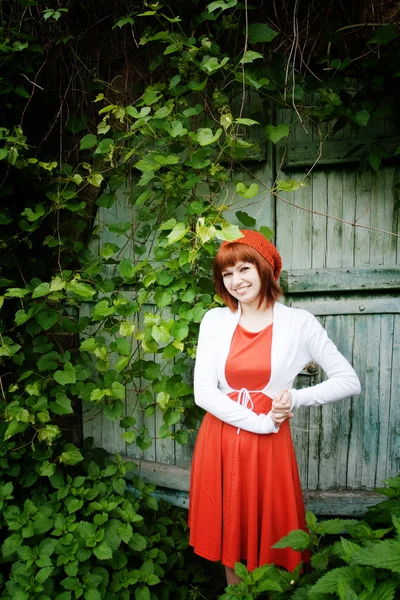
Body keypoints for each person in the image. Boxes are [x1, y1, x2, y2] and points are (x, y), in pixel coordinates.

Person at [188, 229, 361, 585]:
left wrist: (294, 397)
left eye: (244, 269)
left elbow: (348, 380)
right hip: (221, 438)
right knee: (229, 536)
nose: (236, 281)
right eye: (227, 274)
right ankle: (238, 594)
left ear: (265, 268)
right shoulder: (214, 321)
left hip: (268, 448)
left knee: (270, 539)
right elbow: (204, 393)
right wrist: (261, 422)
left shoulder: (299, 323)